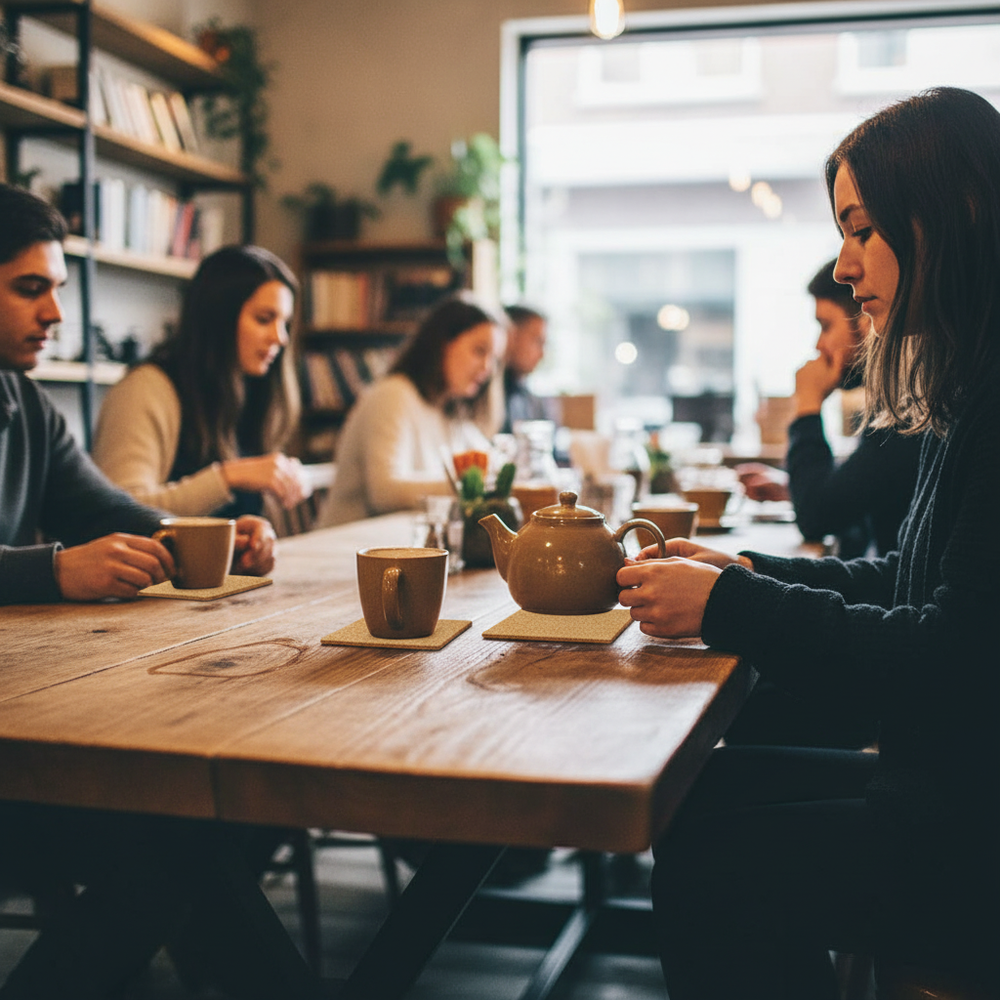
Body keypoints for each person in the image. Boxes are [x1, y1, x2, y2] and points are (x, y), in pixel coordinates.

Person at [618, 88, 1000, 998]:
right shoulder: (968, 385)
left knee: (710, 854)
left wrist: (731, 606)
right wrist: (746, 571)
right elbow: (912, 583)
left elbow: (949, 653)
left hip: (970, 828)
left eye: (861, 230)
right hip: (939, 777)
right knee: (692, 800)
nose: (842, 266)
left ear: (953, 216)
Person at [0, 183, 288, 998]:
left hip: (24, 729)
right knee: (181, 848)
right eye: (31, 288)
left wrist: (209, 540)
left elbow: (108, 507)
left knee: (196, 838)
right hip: (14, 769)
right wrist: (53, 569)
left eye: (57, 287)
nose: (56, 312)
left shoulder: (23, 400)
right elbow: (69, 546)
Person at [92, 245, 309, 519]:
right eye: (264, 319)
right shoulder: (147, 388)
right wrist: (228, 477)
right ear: (220, 317)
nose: (280, 338)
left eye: (285, 323)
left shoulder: (249, 390)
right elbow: (122, 513)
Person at [737, 259, 922, 559]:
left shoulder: (908, 410)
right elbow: (863, 506)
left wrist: (808, 405)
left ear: (865, 318)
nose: (819, 345)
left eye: (826, 326)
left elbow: (816, 518)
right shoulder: (899, 400)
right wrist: (794, 489)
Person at [319, 295, 501, 526]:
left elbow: (490, 464)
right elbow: (384, 492)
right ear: (442, 344)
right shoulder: (393, 395)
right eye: (479, 351)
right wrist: (469, 487)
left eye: (494, 358)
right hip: (348, 547)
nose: (487, 368)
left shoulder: (451, 411)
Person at [500, 304, 550, 433]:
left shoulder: (530, 398)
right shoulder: (488, 396)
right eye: (537, 341)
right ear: (510, 336)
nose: (542, 354)